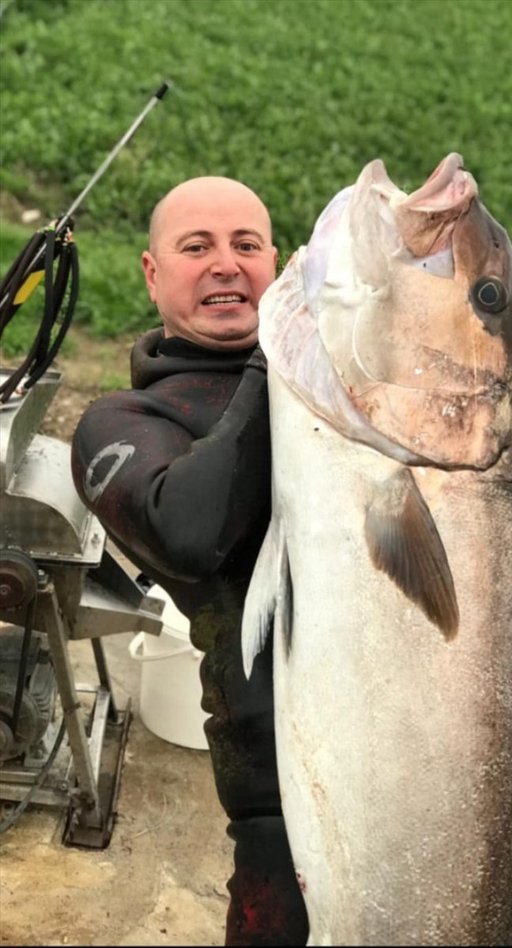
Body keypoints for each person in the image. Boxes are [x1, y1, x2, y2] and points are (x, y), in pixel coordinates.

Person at [70, 176, 308, 947]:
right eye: (196, 247)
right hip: (283, 797)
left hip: (422, 744)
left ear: (276, 261)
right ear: (150, 271)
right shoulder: (128, 421)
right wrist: (288, 353)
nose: (225, 265)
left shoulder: (335, 383)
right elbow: (191, 530)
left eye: (246, 246)